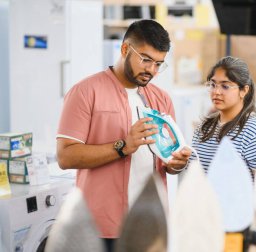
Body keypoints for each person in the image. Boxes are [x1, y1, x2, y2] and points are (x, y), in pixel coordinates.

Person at [56, 20, 191, 252]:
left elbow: (166, 160)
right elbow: (65, 156)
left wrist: (176, 164)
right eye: (146, 60)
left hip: (149, 222)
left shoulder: (162, 99)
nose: (152, 70)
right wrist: (123, 146)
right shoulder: (86, 92)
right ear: (125, 49)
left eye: (159, 63)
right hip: (100, 226)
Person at [190, 56, 256, 180]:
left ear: (244, 90)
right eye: (213, 84)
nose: (216, 92)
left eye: (225, 86)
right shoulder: (204, 127)